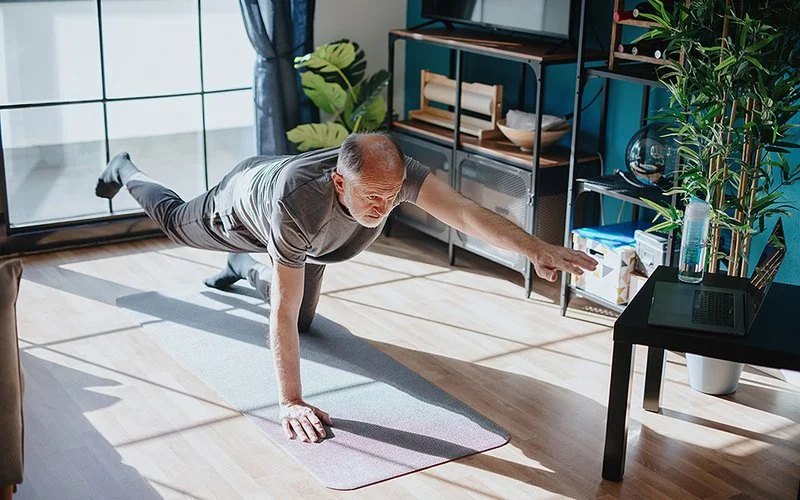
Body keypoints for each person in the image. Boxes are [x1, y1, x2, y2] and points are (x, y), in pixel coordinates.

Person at [95, 132, 597, 444]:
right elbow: (282, 315)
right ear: (339, 184)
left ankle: (241, 268)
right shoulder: (298, 203)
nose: (384, 207)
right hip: (242, 205)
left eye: (392, 195)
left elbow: (466, 212)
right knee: (176, 223)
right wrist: (290, 400)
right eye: (372, 197)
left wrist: (536, 249)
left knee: (309, 323)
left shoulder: (394, 176)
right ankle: (128, 171)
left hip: (310, 239)